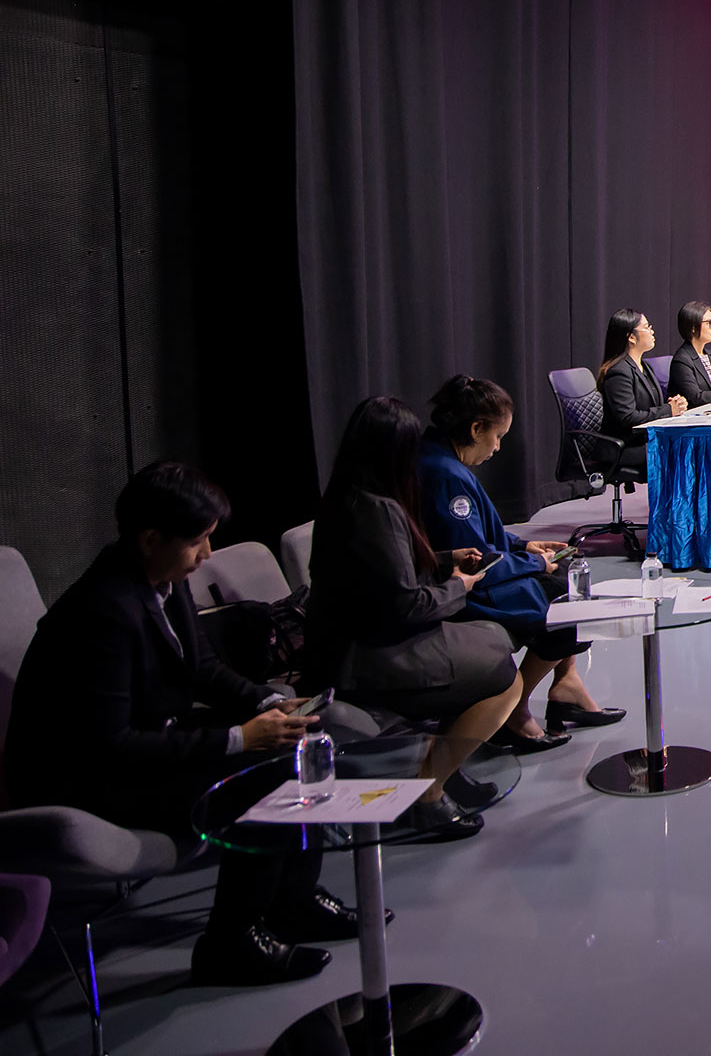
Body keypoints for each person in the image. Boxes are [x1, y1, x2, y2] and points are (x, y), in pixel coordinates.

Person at [6, 463, 355, 986]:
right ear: (151, 539)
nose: (208, 554)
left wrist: (267, 702)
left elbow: (202, 668)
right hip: (83, 781)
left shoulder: (162, 580)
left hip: (139, 745)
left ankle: (294, 901)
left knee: (295, 745)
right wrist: (239, 738)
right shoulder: (103, 612)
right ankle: (229, 945)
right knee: (261, 775)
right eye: (198, 541)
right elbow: (111, 747)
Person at [303, 396, 523, 834]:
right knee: (505, 676)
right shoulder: (377, 509)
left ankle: (443, 769)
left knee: (491, 638)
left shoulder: (346, 497)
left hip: (355, 642)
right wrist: (459, 585)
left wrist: (444, 559)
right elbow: (406, 604)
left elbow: (385, 572)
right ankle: (429, 791)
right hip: (370, 657)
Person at [417, 375, 626, 750]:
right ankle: (513, 707)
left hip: (469, 576)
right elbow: (473, 562)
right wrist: (533, 565)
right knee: (570, 605)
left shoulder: (440, 459)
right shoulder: (446, 476)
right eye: (497, 436)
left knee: (566, 575)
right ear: (476, 428)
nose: (497, 447)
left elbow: (481, 537)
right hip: (461, 591)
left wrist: (524, 546)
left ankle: (567, 685)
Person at [598, 308, 686, 476]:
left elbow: (651, 406)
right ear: (631, 337)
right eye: (646, 327)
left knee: (689, 447)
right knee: (679, 453)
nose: (652, 331)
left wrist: (673, 404)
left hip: (642, 441)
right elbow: (628, 418)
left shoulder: (644, 367)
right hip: (623, 447)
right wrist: (668, 410)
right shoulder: (618, 371)